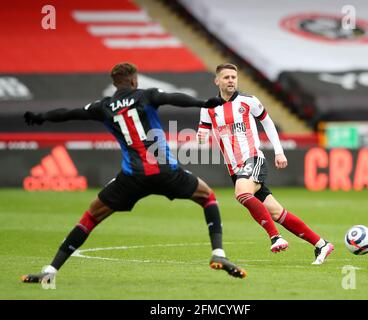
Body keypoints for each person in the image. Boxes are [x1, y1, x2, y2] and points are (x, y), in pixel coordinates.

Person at [21, 62, 247, 284]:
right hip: (165, 171)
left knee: (90, 216)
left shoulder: (104, 106)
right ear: (133, 80)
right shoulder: (145, 96)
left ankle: (50, 270)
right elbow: (173, 98)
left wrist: (41, 117)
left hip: (132, 178)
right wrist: (204, 103)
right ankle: (218, 253)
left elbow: (69, 114)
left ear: (114, 83)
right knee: (207, 197)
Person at [196, 63, 334, 264]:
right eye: (226, 77)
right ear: (217, 81)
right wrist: (200, 136)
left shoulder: (248, 101)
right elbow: (202, 134)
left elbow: (267, 122)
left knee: (242, 193)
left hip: (253, 158)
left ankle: (275, 237)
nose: (231, 80)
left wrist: (279, 152)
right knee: (277, 212)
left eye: (234, 77)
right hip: (235, 168)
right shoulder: (208, 108)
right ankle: (321, 244)